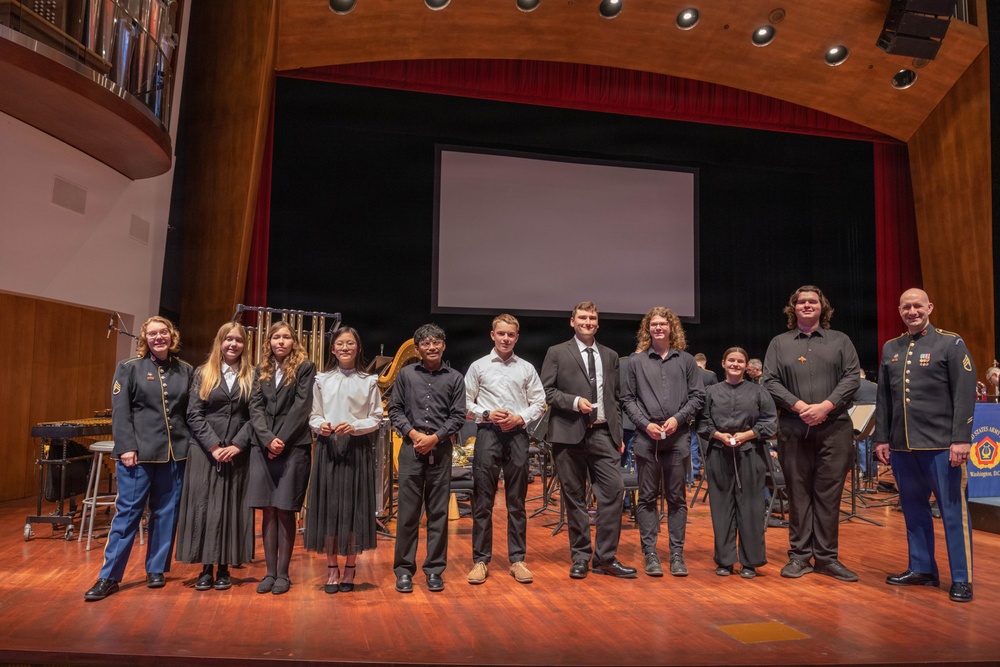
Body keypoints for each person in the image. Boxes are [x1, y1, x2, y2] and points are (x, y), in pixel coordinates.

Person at [874, 288, 976, 603]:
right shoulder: (892, 347)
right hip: (904, 448)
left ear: (929, 307)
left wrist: (961, 439)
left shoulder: (950, 342)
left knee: (951, 512)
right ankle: (922, 568)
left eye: (918, 306)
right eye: (906, 307)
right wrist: (882, 438)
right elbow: (884, 399)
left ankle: (961, 578)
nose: (912, 311)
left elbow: (964, 393)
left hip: (943, 447)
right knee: (914, 511)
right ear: (899, 310)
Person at [84, 316, 193, 601]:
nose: (159, 338)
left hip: (175, 455)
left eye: (163, 333)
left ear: (172, 336)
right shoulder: (129, 368)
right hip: (139, 455)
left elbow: (188, 414)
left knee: (166, 514)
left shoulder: (186, 370)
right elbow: (121, 412)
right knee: (128, 515)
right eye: (153, 334)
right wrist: (127, 448)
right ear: (145, 339)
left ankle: (156, 568)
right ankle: (109, 576)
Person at [763, 285, 860, 581]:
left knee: (829, 495)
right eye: (801, 302)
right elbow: (769, 380)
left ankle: (827, 558)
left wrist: (826, 407)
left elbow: (852, 377)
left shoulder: (840, 340)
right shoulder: (779, 343)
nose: (807, 305)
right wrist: (801, 405)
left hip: (834, 428)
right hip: (794, 427)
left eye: (812, 301)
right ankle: (800, 556)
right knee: (798, 494)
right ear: (793, 309)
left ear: (822, 307)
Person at [541, 301, 635, 579]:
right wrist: (572, 401)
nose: (587, 321)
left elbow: (614, 399)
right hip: (568, 435)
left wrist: (617, 435)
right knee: (575, 498)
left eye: (592, 318)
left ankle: (605, 558)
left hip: (604, 433)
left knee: (614, 492)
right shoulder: (557, 352)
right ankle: (581, 556)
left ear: (598, 322)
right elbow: (546, 392)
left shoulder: (610, 355)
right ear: (572, 321)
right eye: (582, 317)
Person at [622, 307, 704, 577]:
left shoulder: (687, 360)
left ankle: (677, 555)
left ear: (672, 328)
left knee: (677, 499)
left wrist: (678, 420)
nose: (658, 328)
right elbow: (628, 399)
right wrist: (646, 424)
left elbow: (697, 397)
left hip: (678, 437)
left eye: (663, 324)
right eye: (653, 324)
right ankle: (651, 554)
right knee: (645, 498)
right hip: (646, 438)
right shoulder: (635, 362)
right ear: (648, 329)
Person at [464, 314, 546, 585]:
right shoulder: (478, 366)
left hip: (518, 435)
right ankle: (480, 561)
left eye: (511, 335)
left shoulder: (526, 368)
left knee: (517, 502)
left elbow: (540, 402)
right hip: (488, 434)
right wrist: (487, 413)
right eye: (501, 334)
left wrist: (519, 418)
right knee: (483, 501)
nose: (506, 339)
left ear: (517, 337)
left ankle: (517, 560)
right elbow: (465, 403)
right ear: (492, 335)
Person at [174, 322, 256, 591]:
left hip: (237, 453)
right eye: (228, 339)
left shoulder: (252, 375)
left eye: (239, 340)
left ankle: (224, 569)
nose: (233, 344)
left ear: (245, 345)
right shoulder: (203, 372)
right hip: (205, 452)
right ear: (219, 342)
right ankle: (205, 569)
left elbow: (256, 416)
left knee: (231, 509)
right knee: (205, 507)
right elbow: (194, 414)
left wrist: (237, 445)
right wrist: (213, 446)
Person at [388, 323, 466, 593]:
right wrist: (412, 434)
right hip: (411, 450)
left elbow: (458, 416)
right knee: (408, 515)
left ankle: (434, 570)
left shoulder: (455, 378)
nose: (431, 347)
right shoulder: (406, 375)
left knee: (438, 514)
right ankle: (404, 571)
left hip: (441, 450)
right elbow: (395, 408)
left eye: (436, 342)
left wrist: (435, 438)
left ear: (443, 346)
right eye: (426, 343)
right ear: (418, 348)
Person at [306, 327, 383, 594]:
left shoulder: (369, 381)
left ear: (358, 347)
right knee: (330, 507)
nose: (345, 348)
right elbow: (313, 415)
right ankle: (331, 569)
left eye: (351, 343)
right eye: (340, 343)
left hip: (357, 448)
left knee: (354, 508)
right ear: (332, 349)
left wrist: (355, 426)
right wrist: (321, 426)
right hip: (328, 448)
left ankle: (350, 567)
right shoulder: (321, 379)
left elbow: (376, 418)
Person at [248, 321, 316, 595]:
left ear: (294, 342)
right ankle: (270, 572)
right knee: (268, 509)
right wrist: (267, 438)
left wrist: (281, 440)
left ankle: (284, 574)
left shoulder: (305, 367)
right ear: (269, 342)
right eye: (276, 337)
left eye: (286, 337)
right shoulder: (259, 370)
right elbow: (254, 405)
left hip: (293, 447)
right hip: (263, 448)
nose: (281, 341)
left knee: (286, 509)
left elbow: (302, 406)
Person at [698, 347, 777, 579]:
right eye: (731, 360)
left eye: (740, 361)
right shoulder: (710, 392)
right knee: (721, 508)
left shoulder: (759, 391)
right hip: (719, 453)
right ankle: (725, 560)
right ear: (723, 363)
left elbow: (770, 422)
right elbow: (703, 422)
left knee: (751, 508)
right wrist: (719, 435)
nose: (735, 364)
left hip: (751, 453)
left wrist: (747, 434)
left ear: (746, 366)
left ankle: (750, 562)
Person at [690, 352, 718, 483]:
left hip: (690, 413)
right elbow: (716, 395)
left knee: (693, 444)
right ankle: (708, 471)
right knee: (706, 443)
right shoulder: (710, 374)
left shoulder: (688, 373)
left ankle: (694, 472)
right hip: (706, 414)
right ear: (704, 363)